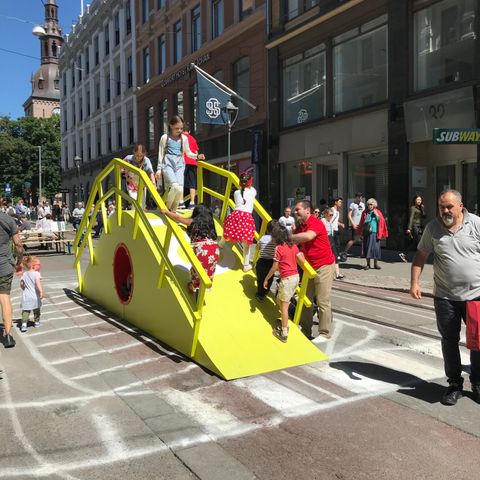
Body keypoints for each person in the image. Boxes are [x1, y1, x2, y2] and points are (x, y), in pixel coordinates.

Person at [410, 189, 480, 406]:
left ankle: (477, 384)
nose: (445, 211)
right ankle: (454, 385)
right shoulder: (433, 227)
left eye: (449, 206)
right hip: (445, 297)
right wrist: (414, 282)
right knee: (449, 342)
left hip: (476, 295)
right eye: (442, 207)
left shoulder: (476, 224)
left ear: (461, 206)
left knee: (477, 343)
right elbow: (421, 255)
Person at [291, 200, 335, 340]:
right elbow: (295, 243)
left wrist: (289, 237)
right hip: (309, 267)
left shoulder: (315, 223)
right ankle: (305, 331)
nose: (295, 212)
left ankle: (324, 333)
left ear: (307, 210)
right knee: (305, 300)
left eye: (298, 209)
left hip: (324, 265)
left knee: (322, 300)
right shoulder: (300, 227)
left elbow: (308, 236)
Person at [162, 205, 219, 293]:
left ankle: (194, 286)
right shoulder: (210, 224)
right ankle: (204, 285)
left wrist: (166, 212)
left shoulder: (194, 221)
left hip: (202, 250)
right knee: (209, 269)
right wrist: (186, 230)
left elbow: (178, 218)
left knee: (196, 270)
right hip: (214, 249)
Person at [264, 225, 305, 343]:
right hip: (295, 277)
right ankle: (284, 322)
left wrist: (267, 279)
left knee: (284, 306)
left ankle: (284, 332)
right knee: (279, 300)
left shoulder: (278, 248)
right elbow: (302, 261)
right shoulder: (293, 246)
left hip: (287, 279)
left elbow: (274, 267)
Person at [156, 116, 205, 212]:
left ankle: (173, 210)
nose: (179, 130)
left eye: (181, 128)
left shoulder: (184, 138)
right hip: (168, 163)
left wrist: (197, 156)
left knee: (180, 190)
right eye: (177, 128)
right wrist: (158, 169)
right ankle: (167, 208)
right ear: (171, 126)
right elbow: (161, 153)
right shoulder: (165, 138)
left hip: (180, 164)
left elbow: (188, 152)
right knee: (174, 186)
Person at [220, 170, 256, 272]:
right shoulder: (253, 192)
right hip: (246, 217)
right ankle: (246, 264)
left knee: (228, 231)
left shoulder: (236, 193)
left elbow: (243, 189)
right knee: (246, 243)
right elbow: (251, 188)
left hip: (236, 214)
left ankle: (221, 244)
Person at [0, 211, 23, 348]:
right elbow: (18, 245)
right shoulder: (8, 219)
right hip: (4, 265)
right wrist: (19, 261)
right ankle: (8, 335)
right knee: (4, 297)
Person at [357, 198, 388, 270]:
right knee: (367, 247)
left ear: (374, 205)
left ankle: (375, 264)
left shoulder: (377, 212)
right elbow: (362, 222)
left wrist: (377, 216)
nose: (369, 206)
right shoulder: (365, 212)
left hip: (375, 232)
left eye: (371, 204)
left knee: (375, 249)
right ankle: (368, 264)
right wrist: (361, 232)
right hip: (367, 232)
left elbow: (382, 222)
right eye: (368, 204)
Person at [123, 144, 156, 210]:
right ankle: (134, 216)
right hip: (131, 183)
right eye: (137, 155)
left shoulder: (146, 160)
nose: (139, 157)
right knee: (134, 200)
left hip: (142, 184)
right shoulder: (129, 158)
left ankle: (140, 217)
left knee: (142, 204)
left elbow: (151, 172)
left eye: (141, 156)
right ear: (134, 153)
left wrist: (153, 183)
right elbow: (120, 166)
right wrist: (125, 174)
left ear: (144, 154)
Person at [254, 220, 277, 302]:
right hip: (271, 263)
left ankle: (260, 294)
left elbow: (257, 248)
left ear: (267, 229)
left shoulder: (263, 238)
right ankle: (265, 292)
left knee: (261, 278)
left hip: (262, 261)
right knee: (269, 279)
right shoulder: (276, 241)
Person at [399, 195, 426, 262]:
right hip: (414, 226)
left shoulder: (420, 208)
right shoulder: (413, 208)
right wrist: (409, 228)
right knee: (420, 242)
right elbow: (411, 218)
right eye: (418, 200)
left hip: (419, 227)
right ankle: (420, 258)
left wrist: (422, 209)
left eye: (420, 200)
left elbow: (424, 216)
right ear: (415, 200)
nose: (419, 201)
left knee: (415, 243)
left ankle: (403, 254)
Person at [19, 256, 43, 332]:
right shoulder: (37, 274)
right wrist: (41, 291)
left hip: (26, 296)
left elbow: (21, 283)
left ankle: (24, 325)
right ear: (33, 266)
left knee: (26, 310)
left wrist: (23, 288)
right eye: (38, 264)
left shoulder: (25, 274)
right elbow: (38, 283)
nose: (40, 266)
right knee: (36, 310)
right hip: (35, 296)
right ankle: (36, 322)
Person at [340, 193, 365, 260]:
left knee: (363, 239)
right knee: (354, 240)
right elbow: (349, 215)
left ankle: (363, 253)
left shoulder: (363, 204)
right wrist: (353, 224)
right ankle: (345, 252)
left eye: (361, 197)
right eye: (359, 197)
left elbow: (364, 215)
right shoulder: (352, 205)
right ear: (356, 197)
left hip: (361, 225)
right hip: (355, 225)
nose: (360, 198)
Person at [322, 208, 344, 280]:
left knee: (335, 256)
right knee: (326, 257)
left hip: (331, 239)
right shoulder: (323, 221)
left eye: (332, 215)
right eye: (330, 215)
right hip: (325, 240)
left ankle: (337, 274)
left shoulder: (330, 221)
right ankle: (328, 273)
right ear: (326, 214)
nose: (331, 216)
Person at [183, 127, 200, 210]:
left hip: (183, 162)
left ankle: (180, 201)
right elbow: (196, 152)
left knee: (180, 183)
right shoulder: (193, 139)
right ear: (189, 131)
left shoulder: (180, 138)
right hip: (192, 163)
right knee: (192, 184)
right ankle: (192, 202)